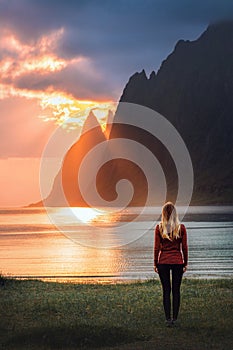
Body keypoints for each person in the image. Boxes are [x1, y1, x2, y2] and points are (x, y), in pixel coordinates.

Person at [154, 201, 188, 326]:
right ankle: (175, 318)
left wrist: (155, 263)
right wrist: (185, 263)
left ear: (163, 213)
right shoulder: (181, 228)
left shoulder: (159, 228)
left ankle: (168, 319)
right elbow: (184, 247)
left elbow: (156, 248)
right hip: (178, 262)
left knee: (166, 290)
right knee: (176, 290)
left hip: (163, 261)